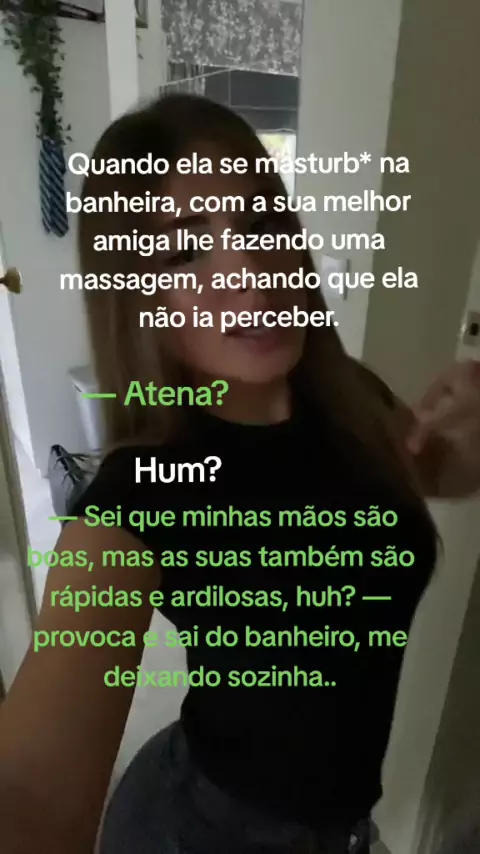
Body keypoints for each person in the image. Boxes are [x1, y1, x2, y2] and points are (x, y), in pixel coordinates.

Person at [1, 93, 480, 854]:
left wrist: (467, 437)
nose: (252, 271)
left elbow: (429, 472)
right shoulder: (138, 495)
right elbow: (33, 790)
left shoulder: (348, 396)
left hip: (346, 829)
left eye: (259, 223)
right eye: (185, 251)